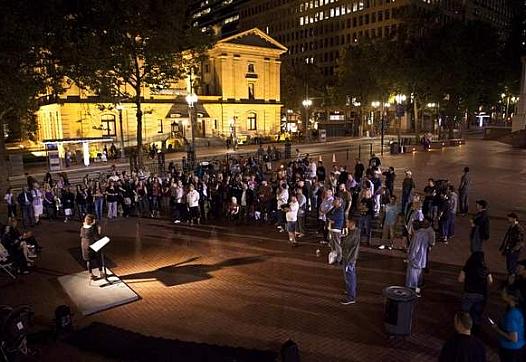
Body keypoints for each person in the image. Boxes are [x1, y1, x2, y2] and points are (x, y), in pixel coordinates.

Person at [458, 252, 493, 335]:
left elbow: (460, 279)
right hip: (481, 294)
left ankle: (465, 330)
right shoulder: (485, 269)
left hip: (468, 293)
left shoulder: (467, 268)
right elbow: (490, 281)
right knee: (476, 314)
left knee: (466, 313)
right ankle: (475, 330)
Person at [491, 287, 525, 362]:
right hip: (520, 346)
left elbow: (513, 338)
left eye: (504, 292)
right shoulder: (519, 309)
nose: (501, 293)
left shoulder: (512, 315)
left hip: (511, 350)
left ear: (510, 297)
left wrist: (497, 329)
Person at [406, 220, 431, 297]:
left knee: (413, 279)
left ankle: (412, 293)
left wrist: (410, 258)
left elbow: (415, 249)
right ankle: (417, 292)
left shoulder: (417, 235)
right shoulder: (425, 233)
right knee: (419, 278)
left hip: (415, 260)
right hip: (421, 260)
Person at [340, 219, 360, 305]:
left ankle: (351, 296)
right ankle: (349, 290)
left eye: (348, 222)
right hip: (347, 257)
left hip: (349, 258)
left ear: (353, 223)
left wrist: (342, 238)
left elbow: (349, 246)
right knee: (349, 276)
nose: (346, 223)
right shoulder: (353, 232)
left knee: (350, 276)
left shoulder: (353, 234)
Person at [80, 214, 104, 280]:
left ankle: (91, 274)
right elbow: (97, 237)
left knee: (89, 260)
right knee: (98, 259)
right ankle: (101, 272)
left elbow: (81, 235)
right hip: (93, 245)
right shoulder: (92, 228)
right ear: (92, 221)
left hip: (85, 245)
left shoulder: (82, 227)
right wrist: (99, 230)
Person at [327, 198, 345, 264]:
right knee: (332, 243)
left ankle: (339, 258)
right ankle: (334, 256)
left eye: (336, 201)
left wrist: (330, 218)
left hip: (336, 228)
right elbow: (328, 214)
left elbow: (334, 217)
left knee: (337, 244)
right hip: (331, 227)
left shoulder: (340, 210)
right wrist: (330, 218)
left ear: (340, 203)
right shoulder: (334, 208)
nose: (334, 202)